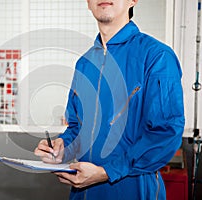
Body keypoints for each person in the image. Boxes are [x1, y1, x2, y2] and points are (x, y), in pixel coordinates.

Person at [34, 0, 185, 199]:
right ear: (88, 3)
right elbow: (77, 128)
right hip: (83, 192)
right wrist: (62, 148)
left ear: (133, 0)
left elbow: (165, 133)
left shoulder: (156, 56)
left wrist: (106, 172)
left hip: (134, 190)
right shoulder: (84, 64)